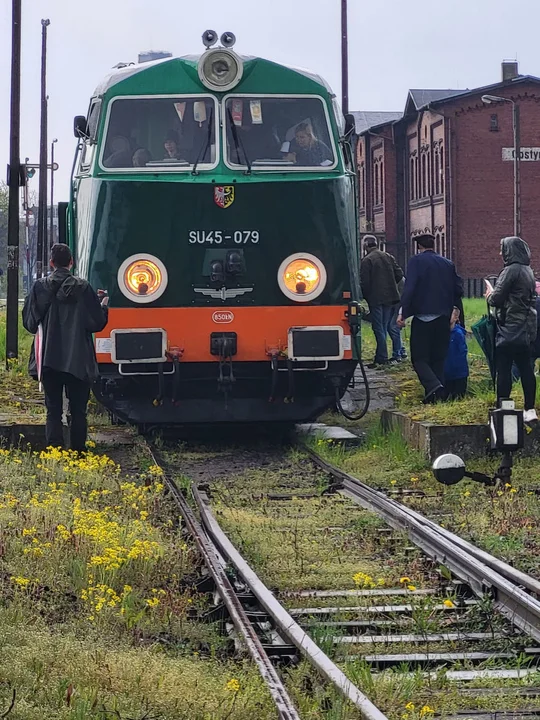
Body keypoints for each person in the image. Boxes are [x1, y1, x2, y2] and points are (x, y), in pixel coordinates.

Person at [22, 243, 109, 451]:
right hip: (78, 359)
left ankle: (55, 451)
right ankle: (78, 451)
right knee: (78, 410)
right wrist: (103, 305)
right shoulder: (84, 287)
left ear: (52, 263)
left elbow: (30, 323)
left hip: (49, 359)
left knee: (53, 409)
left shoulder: (39, 287)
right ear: (71, 262)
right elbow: (96, 323)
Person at [398, 233, 463, 403]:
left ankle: (434, 386)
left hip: (423, 318)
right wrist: (455, 314)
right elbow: (458, 290)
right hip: (443, 318)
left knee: (419, 358)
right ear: (434, 245)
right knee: (438, 359)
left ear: (418, 246)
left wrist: (403, 313)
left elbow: (410, 288)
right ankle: (436, 398)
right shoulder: (447, 264)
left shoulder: (415, 262)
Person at [485, 236, 537, 422]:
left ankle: (504, 407)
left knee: (504, 368)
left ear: (509, 251)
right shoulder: (527, 270)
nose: (500, 253)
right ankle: (530, 409)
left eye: (503, 249)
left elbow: (496, 299)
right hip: (526, 327)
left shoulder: (510, 270)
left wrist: (490, 294)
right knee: (526, 368)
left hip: (509, 327)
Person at [360, 236, 404, 367]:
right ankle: (381, 357)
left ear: (365, 246)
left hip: (376, 299)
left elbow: (365, 283)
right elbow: (399, 274)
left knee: (378, 328)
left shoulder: (367, 260)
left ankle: (382, 358)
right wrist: (390, 285)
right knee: (383, 326)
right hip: (390, 297)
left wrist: (367, 296)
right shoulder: (388, 257)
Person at [444, 307, 469, 399]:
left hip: (459, 374)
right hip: (445, 373)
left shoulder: (458, 334)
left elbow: (462, 352)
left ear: (456, 317)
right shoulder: (442, 333)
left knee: (458, 397)